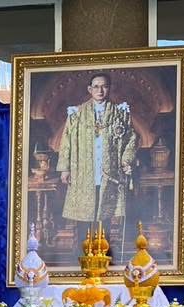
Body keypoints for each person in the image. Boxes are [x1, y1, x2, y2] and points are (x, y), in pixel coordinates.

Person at [56, 72, 138, 244]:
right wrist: (65, 168)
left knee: (105, 215)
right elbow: (66, 141)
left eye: (104, 86)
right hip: (83, 171)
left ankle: (104, 250)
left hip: (109, 172)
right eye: (96, 87)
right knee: (84, 214)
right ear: (89, 89)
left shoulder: (120, 112)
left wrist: (126, 160)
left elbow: (130, 138)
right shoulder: (76, 113)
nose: (100, 91)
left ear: (109, 88)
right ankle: (82, 250)